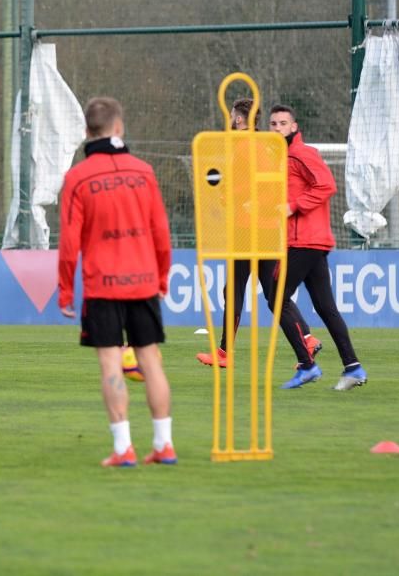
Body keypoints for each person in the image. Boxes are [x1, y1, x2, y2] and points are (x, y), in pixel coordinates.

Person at [57, 97, 176, 467]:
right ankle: (163, 444)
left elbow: (68, 242)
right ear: (119, 127)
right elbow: (161, 231)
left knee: (111, 364)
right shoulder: (144, 171)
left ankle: (124, 448)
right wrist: (161, 276)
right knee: (151, 362)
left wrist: (64, 290)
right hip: (142, 281)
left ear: (86, 132)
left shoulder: (76, 178)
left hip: (102, 285)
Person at [196, 97, 322, 367]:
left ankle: (224, 353)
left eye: (232, 114)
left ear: (239, 119)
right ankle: (308, 338)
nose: (230, 118)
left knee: (235, 290)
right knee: (273, 293)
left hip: (249, 228)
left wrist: (235, 198)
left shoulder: (245, 146)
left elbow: (264, 183)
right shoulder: (260, 144)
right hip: (264, 229)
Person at [269, 104, 368, 390]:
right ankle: (353, 368)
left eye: (283, 123)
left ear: (294, 127)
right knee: (326, 307)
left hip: (305, 241)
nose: (277, 128)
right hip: (309, 241)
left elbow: (327, 186)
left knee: (277, 298)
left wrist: (293, 207)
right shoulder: (281, 158)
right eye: (273, 124)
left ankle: (308, 365)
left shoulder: (302, 153)